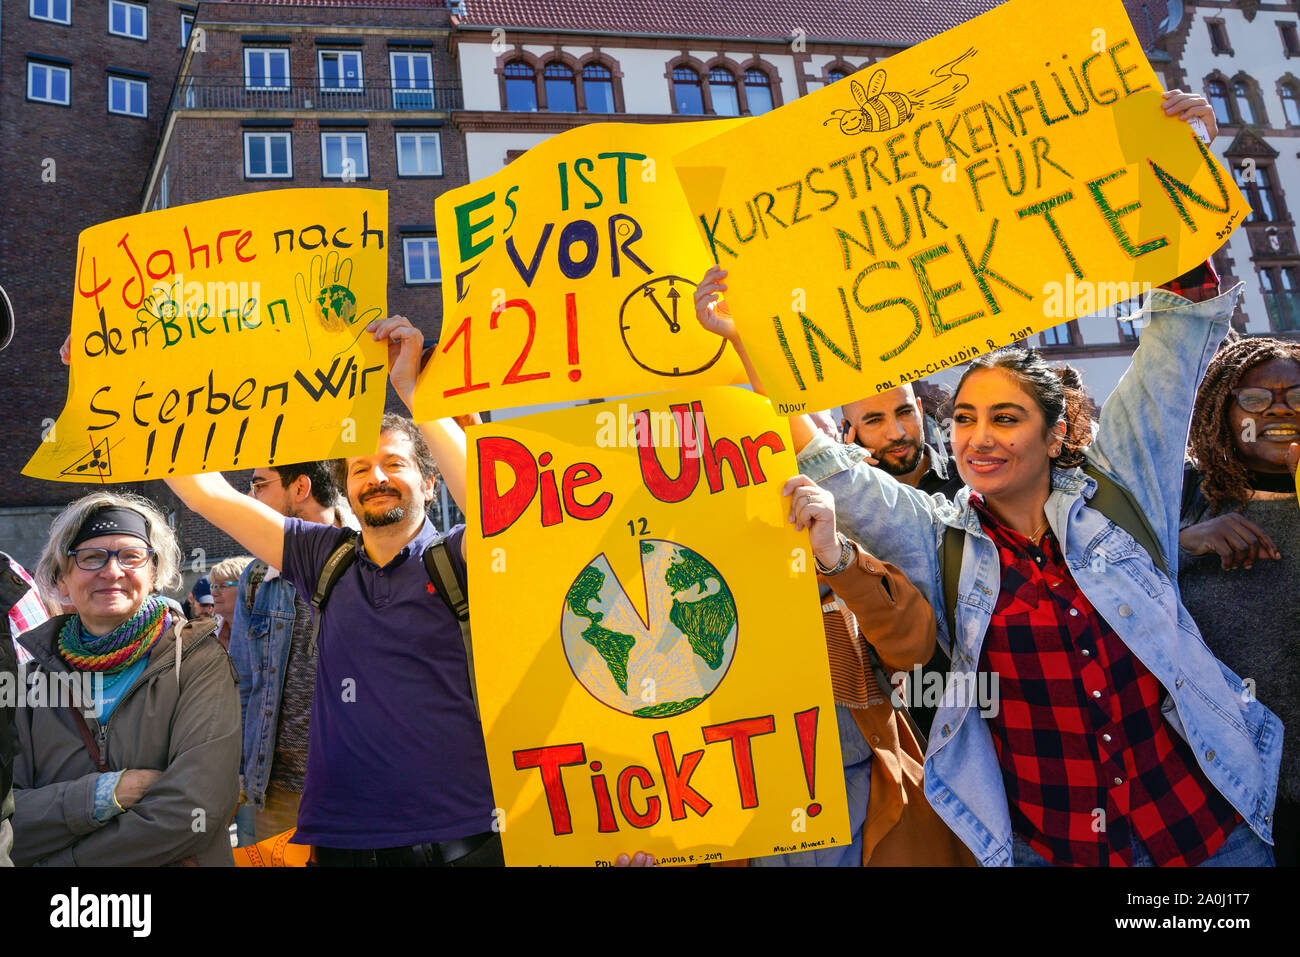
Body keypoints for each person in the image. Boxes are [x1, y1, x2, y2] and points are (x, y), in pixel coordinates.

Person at [696, 91, 1281, 867]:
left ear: (1054, 432)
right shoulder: (940, 539)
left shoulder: (1121, 492)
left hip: (1206, 840)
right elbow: (828, 467)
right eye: (965, 417)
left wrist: (1174, 161)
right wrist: (745, 345)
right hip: (1053, 851)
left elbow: (1179, 329)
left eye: (1005, 418)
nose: (976, 436)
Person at [165, 316, 656, 867]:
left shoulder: (462, 557)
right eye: (359, 469)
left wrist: (414, 392)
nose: (375, 477)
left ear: (429, 481)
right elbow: (206, 494)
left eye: (394, 464)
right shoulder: (321, 557)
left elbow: (506, 512)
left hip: (463, 838)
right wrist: (140, 376)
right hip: (341, 843)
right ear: (347, 489)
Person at [749, 482, 974, 867]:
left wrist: (835, 558)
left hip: (869, 818)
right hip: (748, 831)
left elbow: (913, 648)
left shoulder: (818, 563)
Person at [11, 492, 240, 865]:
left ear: (154, 574)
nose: (113, 571)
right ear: (62, 580)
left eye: (132, 556)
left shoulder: (198, 661)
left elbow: (194, 809)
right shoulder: (29, 684)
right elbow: (9, 817)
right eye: (90, 557)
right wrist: (102, 795)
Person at [1179, 334, 1300, 866]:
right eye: (1254, 400)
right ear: (1220, 413)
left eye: (1296, 395)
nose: (1280, 410)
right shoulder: (1185, 504)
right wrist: (1181, 546)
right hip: (1230, 803)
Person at [229, 461, 346, 843]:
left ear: (300, 489)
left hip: (361, 791)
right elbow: (243, 684)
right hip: (274, 794)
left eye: (259, 484)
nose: (252, 496)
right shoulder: (257, 577)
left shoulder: (373, 561)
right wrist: (241, 773)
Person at [207, 556, 253, 651]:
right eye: (213, 586)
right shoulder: (209, 636)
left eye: (223, 586)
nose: (214, 593)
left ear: (247, 589)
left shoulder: (266, 638)